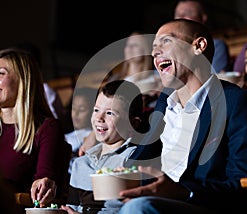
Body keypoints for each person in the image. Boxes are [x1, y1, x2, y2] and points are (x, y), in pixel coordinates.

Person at [114, 19, 247, 213]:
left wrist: (183, 192)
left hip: (206, 204)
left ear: (198, 46)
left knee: (139, 207)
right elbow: (140, 160)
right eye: (154, 47)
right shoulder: (164, 103)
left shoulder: (236, 102)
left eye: (166, 41)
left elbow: (245, 181)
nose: (155, 52)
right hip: (156, 203)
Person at [0, 47, 71, 207]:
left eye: (1, 73)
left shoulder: (47, 128)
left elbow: (45, 180)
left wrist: (44, 185)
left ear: (23, 80)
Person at [61, 80, 145, 214]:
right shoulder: (80, 163)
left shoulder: (134, 160)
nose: (99, 118)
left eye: (110, 113)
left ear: (133, 123)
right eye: (96, 110)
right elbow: (72, 207)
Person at [174, 0, 230, 73]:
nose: (181, 17)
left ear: (203, 18)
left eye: (188, 13)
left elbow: (216, 79)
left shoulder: (215, 46)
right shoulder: (169, 47)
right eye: (177, 14)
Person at [65, 87, 95, 174]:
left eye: (82, 109)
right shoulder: (67, 135)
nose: (76, 113)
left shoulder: (90, 136)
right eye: (73, 108)